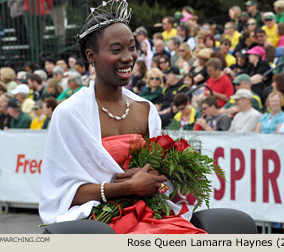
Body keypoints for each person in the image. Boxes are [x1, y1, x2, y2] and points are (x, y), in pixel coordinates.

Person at [39, 0, 205, 234]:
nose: (128, 57)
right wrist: (127, 187)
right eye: (116, 50)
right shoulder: (69, 114)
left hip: (151, 214)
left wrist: (159, 176)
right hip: (96, 222)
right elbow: (61, 192)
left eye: (132, 47)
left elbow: (157, 176)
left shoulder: (145, 109)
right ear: (91, 56)